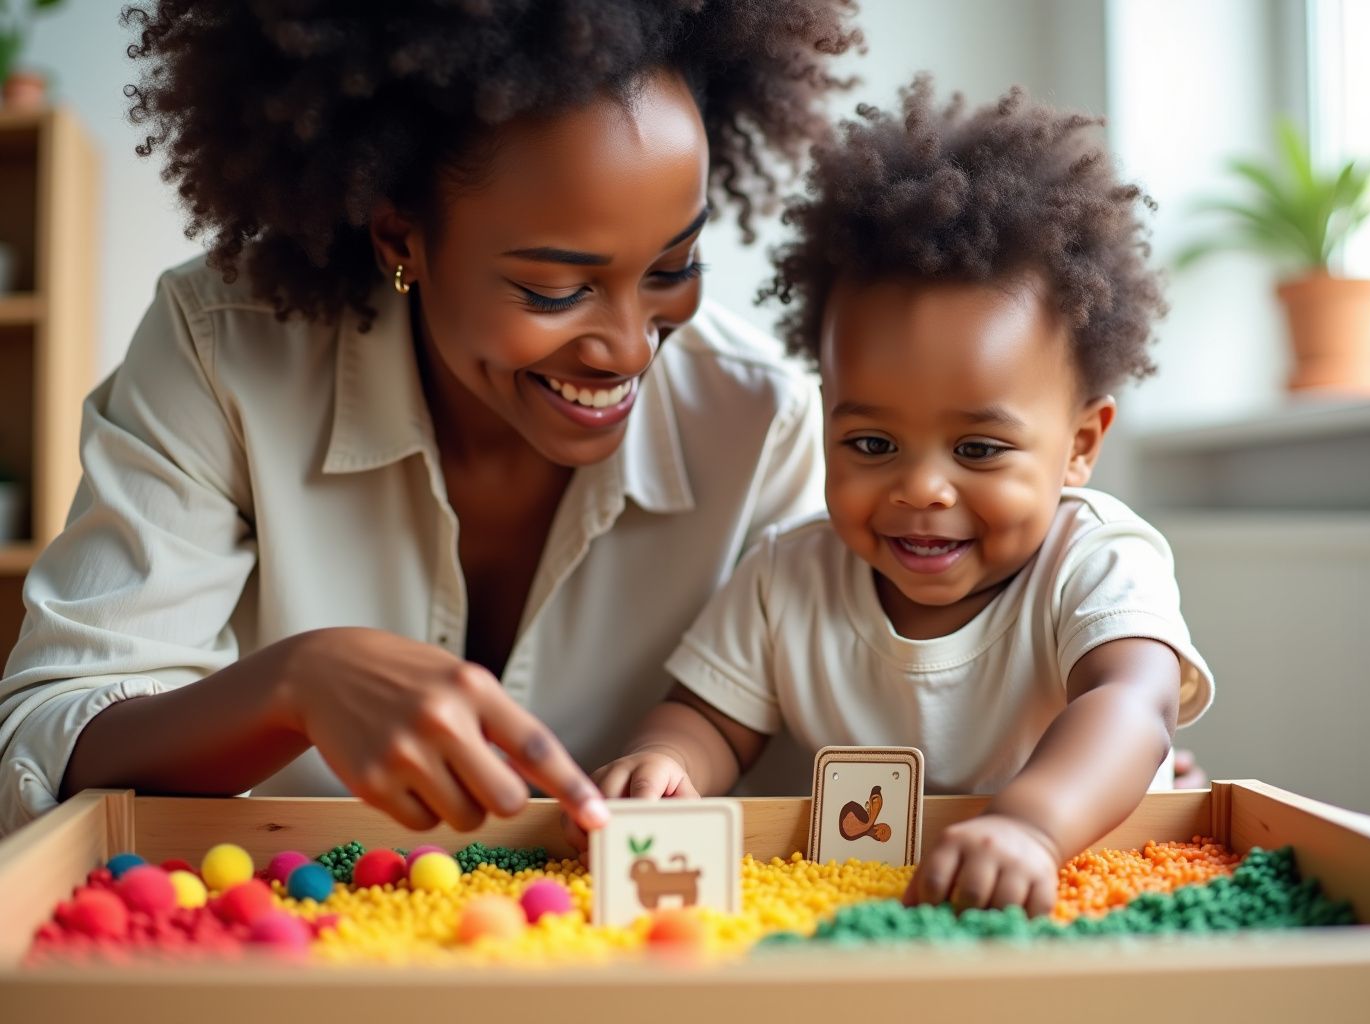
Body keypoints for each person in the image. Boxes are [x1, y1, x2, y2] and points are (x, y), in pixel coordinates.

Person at [0, 1, 864, 837]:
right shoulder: (222, 354)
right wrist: (292, 688)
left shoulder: (761, 425)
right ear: (401, 242)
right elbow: (41, 743)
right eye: (557, 290)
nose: (632, 349)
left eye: (675, 266)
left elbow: (855, 756)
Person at [584, 80, 1216, 916]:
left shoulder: (1094, 560)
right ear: (826, 420)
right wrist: (665, 764)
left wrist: (1030, 825)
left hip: (1068, 857)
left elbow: (1132, 703)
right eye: (871, 444)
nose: (920, 489)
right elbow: (708, 718)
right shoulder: (788, 576)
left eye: (979, 449)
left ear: (1081, 446)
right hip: (853, 890)